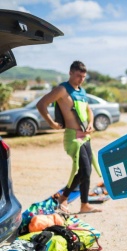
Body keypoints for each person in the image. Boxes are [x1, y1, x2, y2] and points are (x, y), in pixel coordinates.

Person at [37, 60, 103, 214]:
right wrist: (52, 123)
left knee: (87, 172)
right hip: (73, 137)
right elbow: (41, 104)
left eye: (84, 77)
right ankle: (63, 197)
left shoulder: (82, 91)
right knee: (83, 171)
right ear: (70, 73)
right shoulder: (62, 89)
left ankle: (84, 205)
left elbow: (89, 111)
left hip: (85, 137)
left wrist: (91, 123)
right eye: (79, 75)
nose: (81, 79)